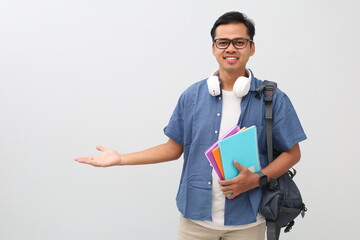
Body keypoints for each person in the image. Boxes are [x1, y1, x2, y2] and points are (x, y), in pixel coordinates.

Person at [75, 11, 307, 240]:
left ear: (251, 48)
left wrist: (257, 179)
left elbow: (292, 153)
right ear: (214, 48)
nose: (230, 49)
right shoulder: (192, 96)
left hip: (248, 221)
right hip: (196, 221)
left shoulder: (271, 98)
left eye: (239, 42)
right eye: (223, 42)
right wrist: (121, 158)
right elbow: (173, 149)